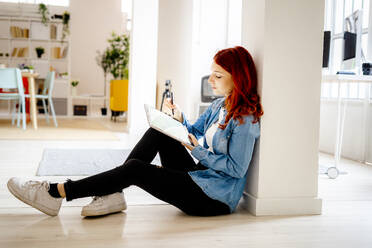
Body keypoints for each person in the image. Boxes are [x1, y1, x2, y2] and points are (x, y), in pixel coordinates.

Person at [7, 46, 263, 217]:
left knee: (136, 170)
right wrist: (176, 118)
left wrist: (197, 150)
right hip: (202, 176)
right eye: (211, 74)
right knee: (157, 132)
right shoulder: (220, 104)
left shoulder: (246, 120)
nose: (210, 81)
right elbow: (194, 130)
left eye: (217, 76)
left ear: (237, 78)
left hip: (214, 198)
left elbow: (236, 169)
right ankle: (113, 193)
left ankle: (56, 192)